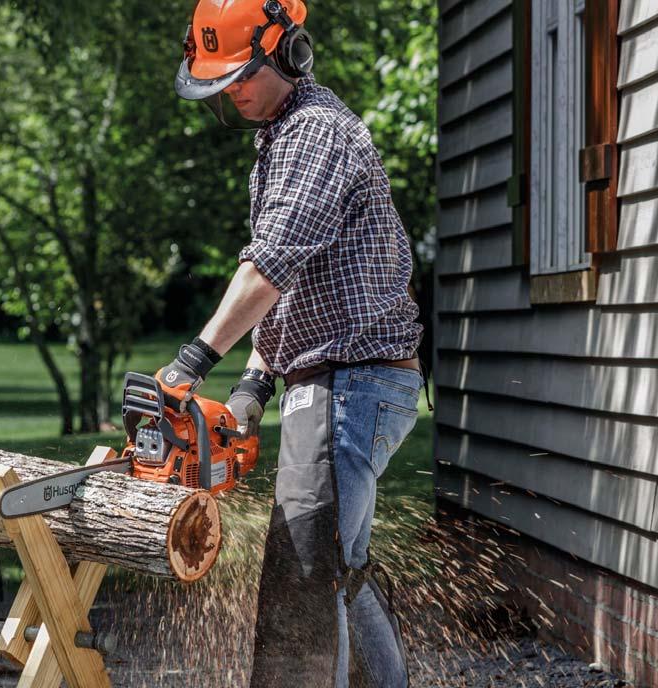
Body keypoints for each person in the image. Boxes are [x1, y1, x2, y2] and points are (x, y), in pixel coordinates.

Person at [160, 1, 428, 686]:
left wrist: (194, 361)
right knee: (334, 567)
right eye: (220, 80)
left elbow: (270, 265)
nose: (232, 90)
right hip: (343, 379)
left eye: (242, 74)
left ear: (289, 54)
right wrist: (254, 381)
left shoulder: (313, 133)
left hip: (353, 382)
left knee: (303, 579)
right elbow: (290, 289)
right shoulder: (282, 136)